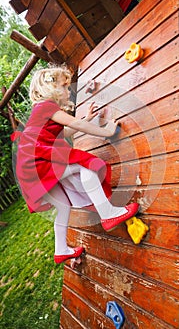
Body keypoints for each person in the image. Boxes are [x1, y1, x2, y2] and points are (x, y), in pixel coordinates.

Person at [15, 65, 139, 264]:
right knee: (85, 165)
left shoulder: (42, 111)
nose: (68, 91)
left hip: (30, 168)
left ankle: (61, 249)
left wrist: (87, 118)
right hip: (37, 163)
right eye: (64, 86)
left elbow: (62, 133)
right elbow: (76, 125)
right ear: (52, 89)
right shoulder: (47, 106)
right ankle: (108, 213)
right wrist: (106, 131)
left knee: (63, 208)